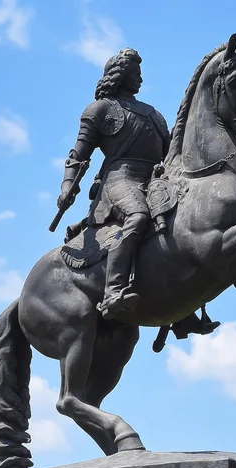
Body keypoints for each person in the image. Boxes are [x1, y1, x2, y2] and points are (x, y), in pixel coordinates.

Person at [57, 48, 169, 319]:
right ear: (121, 75)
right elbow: (78, 155)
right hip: (120, 179)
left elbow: (169, 152)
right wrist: (66, 187)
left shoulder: (153, 114)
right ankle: (113, 291)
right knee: (139, 215)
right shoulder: (100, 110)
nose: (140, 79)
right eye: (136, 73)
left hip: (155, 178)